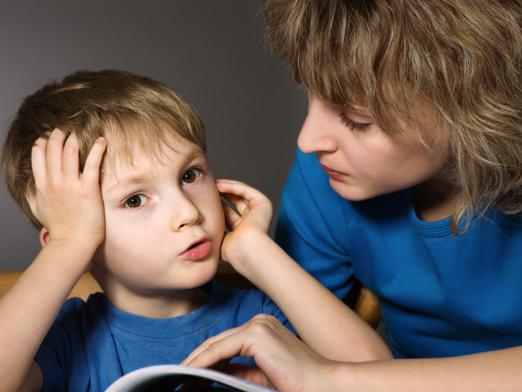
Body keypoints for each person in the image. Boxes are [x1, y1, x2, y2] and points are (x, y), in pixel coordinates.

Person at [183, 0, 522, 390]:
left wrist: (335, 379)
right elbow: (294, 339)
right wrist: (252, 252)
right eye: (308, 95)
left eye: (356, 120)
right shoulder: (327, 176)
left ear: (474, 106)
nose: (307, 141)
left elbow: (327, 374)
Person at [0, 70, 386, 392]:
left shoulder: (262, 319)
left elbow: (377, 375)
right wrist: (69, 245)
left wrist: (256, 251)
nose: (187, 212)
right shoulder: (68, 339)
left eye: (189, 175)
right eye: (135, 200)